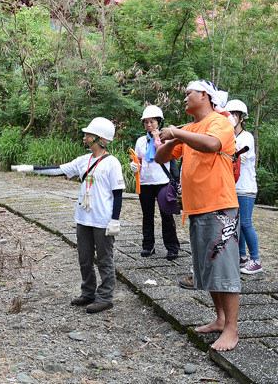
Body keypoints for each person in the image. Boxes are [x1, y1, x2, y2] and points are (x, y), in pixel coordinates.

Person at [154, 80, 241, 351]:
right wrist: (171, 139)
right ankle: (219, 320)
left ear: (204, 95)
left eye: (188, 93)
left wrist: (177, 133)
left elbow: (212, 145)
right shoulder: (189, 129)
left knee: (225, 268)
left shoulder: (219, 122)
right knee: (209, 267)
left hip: (219, 206)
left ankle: (232, 330)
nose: (184, 99)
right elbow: (159, 158)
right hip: (197, 208)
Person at [12, 117, 125, 314]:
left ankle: (105, 297)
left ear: (99, 138)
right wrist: (31, 169)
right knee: (84, 259)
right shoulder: (83, 161)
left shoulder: (112, 163)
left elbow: (118, 193)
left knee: (105, 259)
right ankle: (88, 292)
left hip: (102, 220)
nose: (84, 137)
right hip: (83, 218)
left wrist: (115, 219)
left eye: (88, 135)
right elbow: (58, 170)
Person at [130, 105, 180, 260]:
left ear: (159, 122)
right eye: (146, 122)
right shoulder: (140, 141)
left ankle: (172, 248)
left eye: (152, 121)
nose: (149, 124)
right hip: (145, 182)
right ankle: (148, 246)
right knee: (147, 216)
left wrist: (157, 137)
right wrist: (134, 166)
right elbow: (138, 158)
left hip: (162, 181)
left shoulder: (167, 139)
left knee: (167, 216)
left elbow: (166, 152)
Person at [226, 99, 262, 274]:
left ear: (240, 118)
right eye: (228, 114)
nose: (231, 118)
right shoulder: (228, 136)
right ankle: (241, 256)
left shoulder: (246, 137)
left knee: (246, 223)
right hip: (233, 188)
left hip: (246, 188)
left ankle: (255, 259)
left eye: (234, 114)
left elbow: (242, 155)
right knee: (237, 224)